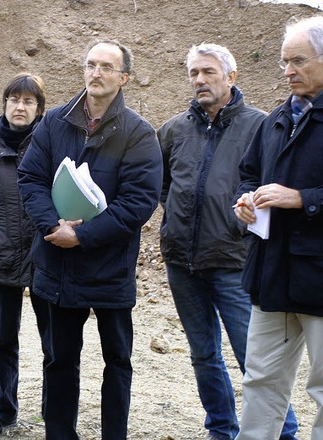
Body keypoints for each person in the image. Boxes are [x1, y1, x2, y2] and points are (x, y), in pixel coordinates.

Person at [17, 39, 162, 439]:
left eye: (106, 67)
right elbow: (30, 178)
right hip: (56, 264)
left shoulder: (139, 133)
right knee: (59, 360)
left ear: (124, 77)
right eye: (90, 64)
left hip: (109, 268)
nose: (96, 73)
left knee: (117, 361)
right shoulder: (54, 122)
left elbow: (138, 203)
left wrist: (83, 237)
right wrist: (52, 227)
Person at [158, 44, 298, 440]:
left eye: (208, 72)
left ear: (231, 77)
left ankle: (281, 434)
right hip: (181, 261)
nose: (200, 80)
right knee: (204, 356)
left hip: (235, 261)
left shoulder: (262, 126)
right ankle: (221, 429)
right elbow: (162, 183)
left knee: (254, 360)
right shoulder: (173, 129)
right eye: (193, 73)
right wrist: (178, 217)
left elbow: (271, 185)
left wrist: (237, 225)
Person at [233, 15, 323, 440]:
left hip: (320, 279)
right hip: (272, 273)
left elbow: (298, 194)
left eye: (298, 61)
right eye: (284, 62)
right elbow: (248, 174)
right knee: (260, 381)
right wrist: (246, 201)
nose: (288, 71)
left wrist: (302, 197)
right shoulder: (275, 120)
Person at [0, 73, 51, 437]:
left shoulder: (50, 146)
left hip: (45, 259)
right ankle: (4, 408)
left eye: (28, 101)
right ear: (5, 103)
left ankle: (54, 410)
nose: (20, 107)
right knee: (2, 340)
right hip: (1, 259)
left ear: (39, 109)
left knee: (53, 341)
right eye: (14, 99)